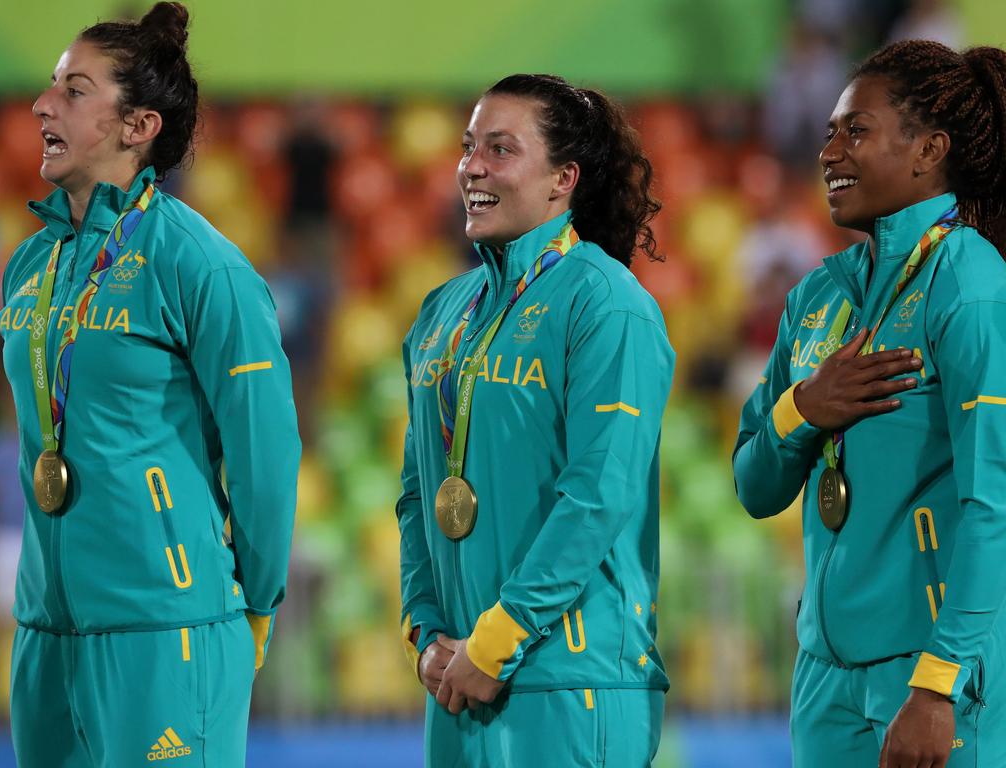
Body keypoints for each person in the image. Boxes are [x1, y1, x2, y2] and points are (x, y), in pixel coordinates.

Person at [0, 4, 300, 766]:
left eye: (74, 89)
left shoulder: (203, 266)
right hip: (46, 633)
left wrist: (254, 603)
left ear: (138, 127)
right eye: (50, 86)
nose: (43, 104)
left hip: (167, 630)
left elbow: (265, 454)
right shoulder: (31, 267)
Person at [733, 39, 1006, 768]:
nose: (830, 151)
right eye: (827, 132)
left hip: (929, 675)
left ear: (929, 150)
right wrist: (802, 410)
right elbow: (753, 487)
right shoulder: (816, 295)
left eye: (856, 130)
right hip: (823, 676)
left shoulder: (969, 279)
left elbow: (994, 502)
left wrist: (938, 684)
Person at [396, 74, 674, 767]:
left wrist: (499, 639)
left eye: (500, 149)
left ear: (563, 179)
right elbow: (414, 494)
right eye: (467, 148)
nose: (472, 168)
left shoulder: (608, 305)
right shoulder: (442, 314)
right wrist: (425, 629)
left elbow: (598, 494)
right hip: (462, 680)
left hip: (573, 683)